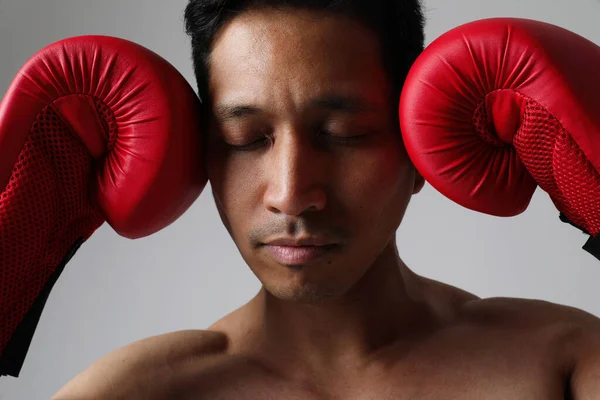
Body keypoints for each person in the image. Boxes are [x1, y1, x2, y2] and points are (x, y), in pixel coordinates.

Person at [51, 0, 600, 398]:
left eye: (343, 133)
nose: (291, 194)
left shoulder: (566, 365)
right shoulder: (129, 395)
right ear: (201, 155)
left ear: (423, 145)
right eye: (246, 140)